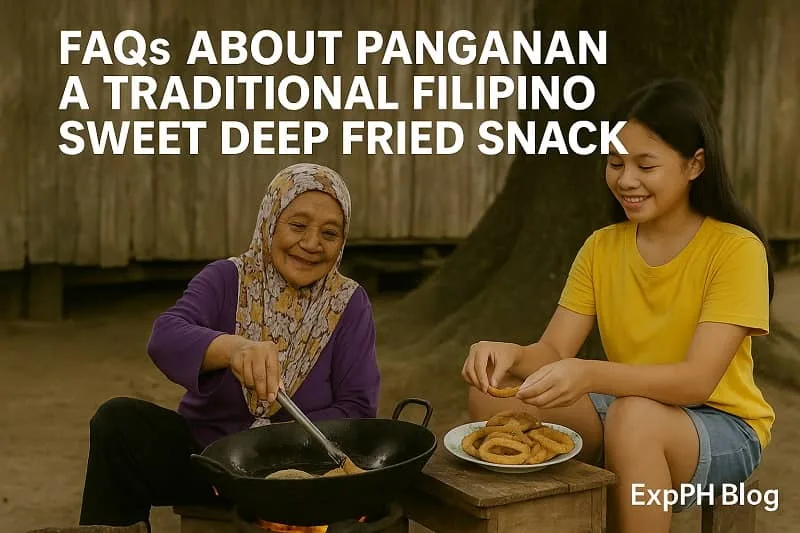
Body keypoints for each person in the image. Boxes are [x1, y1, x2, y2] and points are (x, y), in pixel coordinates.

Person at [461, 79, 775, 533]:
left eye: (645, 165)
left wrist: (589, 374)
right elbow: (552, 352)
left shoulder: (735, 250)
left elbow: (696, 382)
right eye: (614, 163)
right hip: (628, 407)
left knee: (635, 419)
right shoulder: (602, 247)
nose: (625, 180)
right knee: (492, 391)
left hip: (722, 425)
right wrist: (508, 352)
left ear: (695, 165)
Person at [79, 163, 381, 529]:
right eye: (297, 225)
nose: (312, 243)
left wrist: (270, 450)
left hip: (298, 474)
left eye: (330, 233)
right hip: (210, 462)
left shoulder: (348, 303)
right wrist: (233, 348)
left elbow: (358, 407)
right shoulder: (227, 279)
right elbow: (166, 335)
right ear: (270, 222)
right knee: (118, 423)